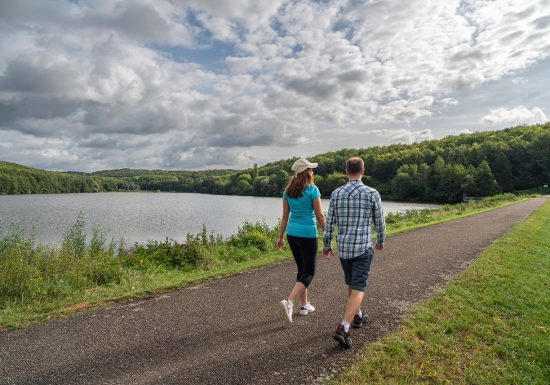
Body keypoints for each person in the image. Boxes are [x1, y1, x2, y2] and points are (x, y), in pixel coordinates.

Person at [322, 157, 386, 348]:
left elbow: (330, 222)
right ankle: (344, 326)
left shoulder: (336, 194)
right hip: (362, 247)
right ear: (363, 171)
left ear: (346, 171)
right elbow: (379, 221)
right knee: (358, 288)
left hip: (344, 248)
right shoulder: (372, 193)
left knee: (352, 283)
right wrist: (381, 240)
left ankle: (357, 316)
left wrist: (326, 245)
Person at [277, 158, 326, 323]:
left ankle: (305, 305)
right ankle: (289, 301)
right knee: (309, 272)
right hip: (307, 234)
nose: (312, 172)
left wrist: (280, 237)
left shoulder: (288, 191)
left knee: (302, 270)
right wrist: (327, 231)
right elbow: (319, 215)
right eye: (311, 170)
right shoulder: (313, 190)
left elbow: (285, 217)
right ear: (306, 173)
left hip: (292, 234)